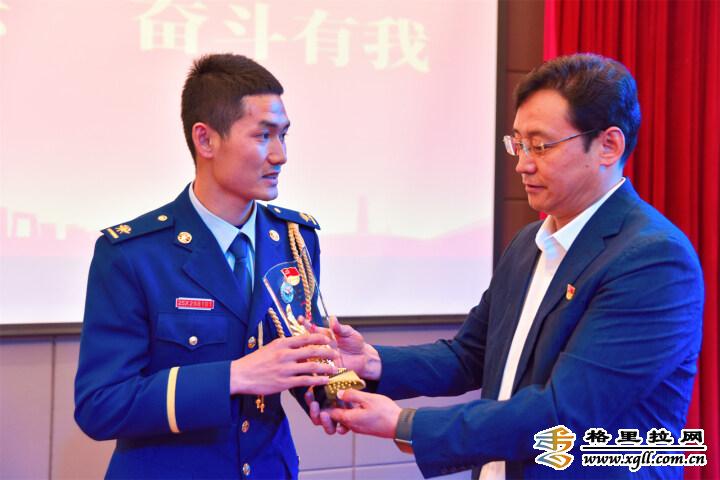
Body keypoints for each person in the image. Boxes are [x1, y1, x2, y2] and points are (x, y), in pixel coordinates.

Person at [307, 54, 704, 479]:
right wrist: (372, 363)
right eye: (518, 143)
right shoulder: (529, 242)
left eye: (541, 145)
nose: (523, 163)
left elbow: (564, 414)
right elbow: (470, 356)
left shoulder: (652, 259)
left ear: (608, 146)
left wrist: (405, 424)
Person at [74, 53, 339, 479]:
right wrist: (234, 376)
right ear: (206, 140)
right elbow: (100, 406)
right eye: (263, 136)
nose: (280, 155)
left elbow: (299, 356)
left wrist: (329, 394)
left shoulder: (295, 239)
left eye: (284, 135)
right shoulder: (133, 254)